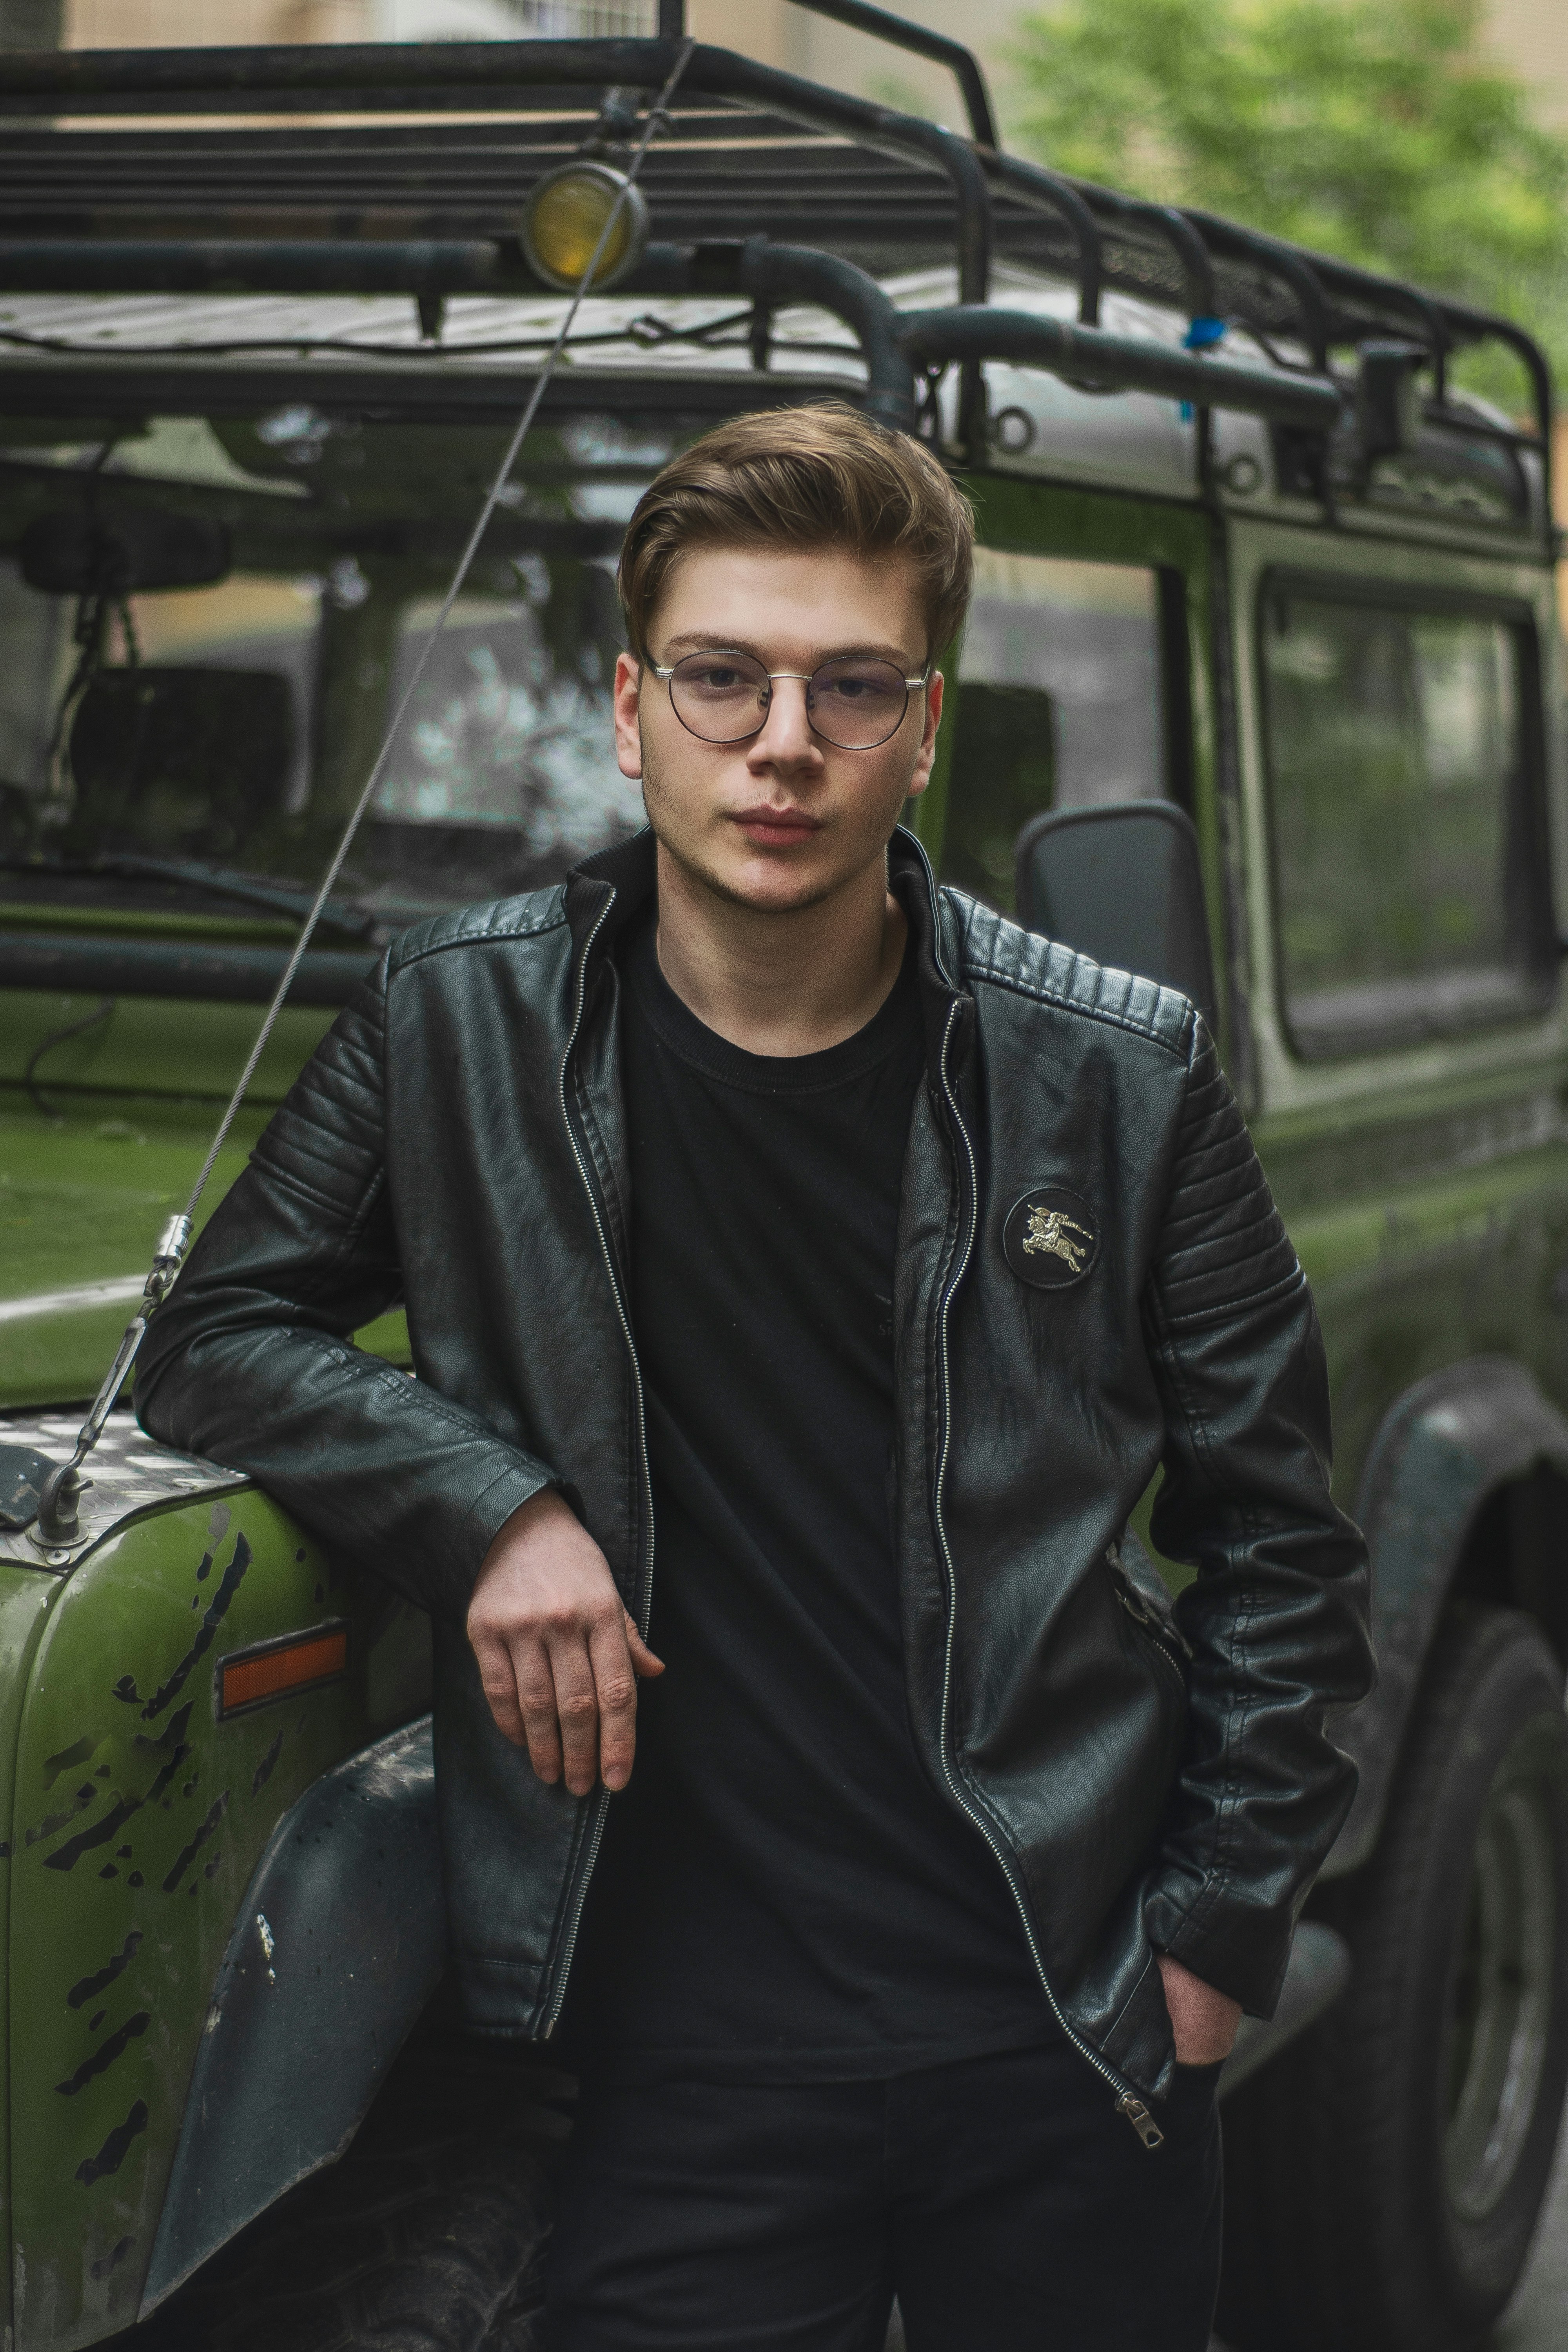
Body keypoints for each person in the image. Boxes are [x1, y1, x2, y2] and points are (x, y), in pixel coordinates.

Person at [137, 403, 1374, 2352]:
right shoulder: (450, 1022)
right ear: (631, 710)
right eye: (723, 677)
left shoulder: (1120, 1078)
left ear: (927, 724)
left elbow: (1287, 1553)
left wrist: (1211, 1944)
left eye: (849, 686)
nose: (782, 742)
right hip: (674, 2065)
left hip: (1061, 2022)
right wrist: (491, 1511)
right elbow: (213, 1337)